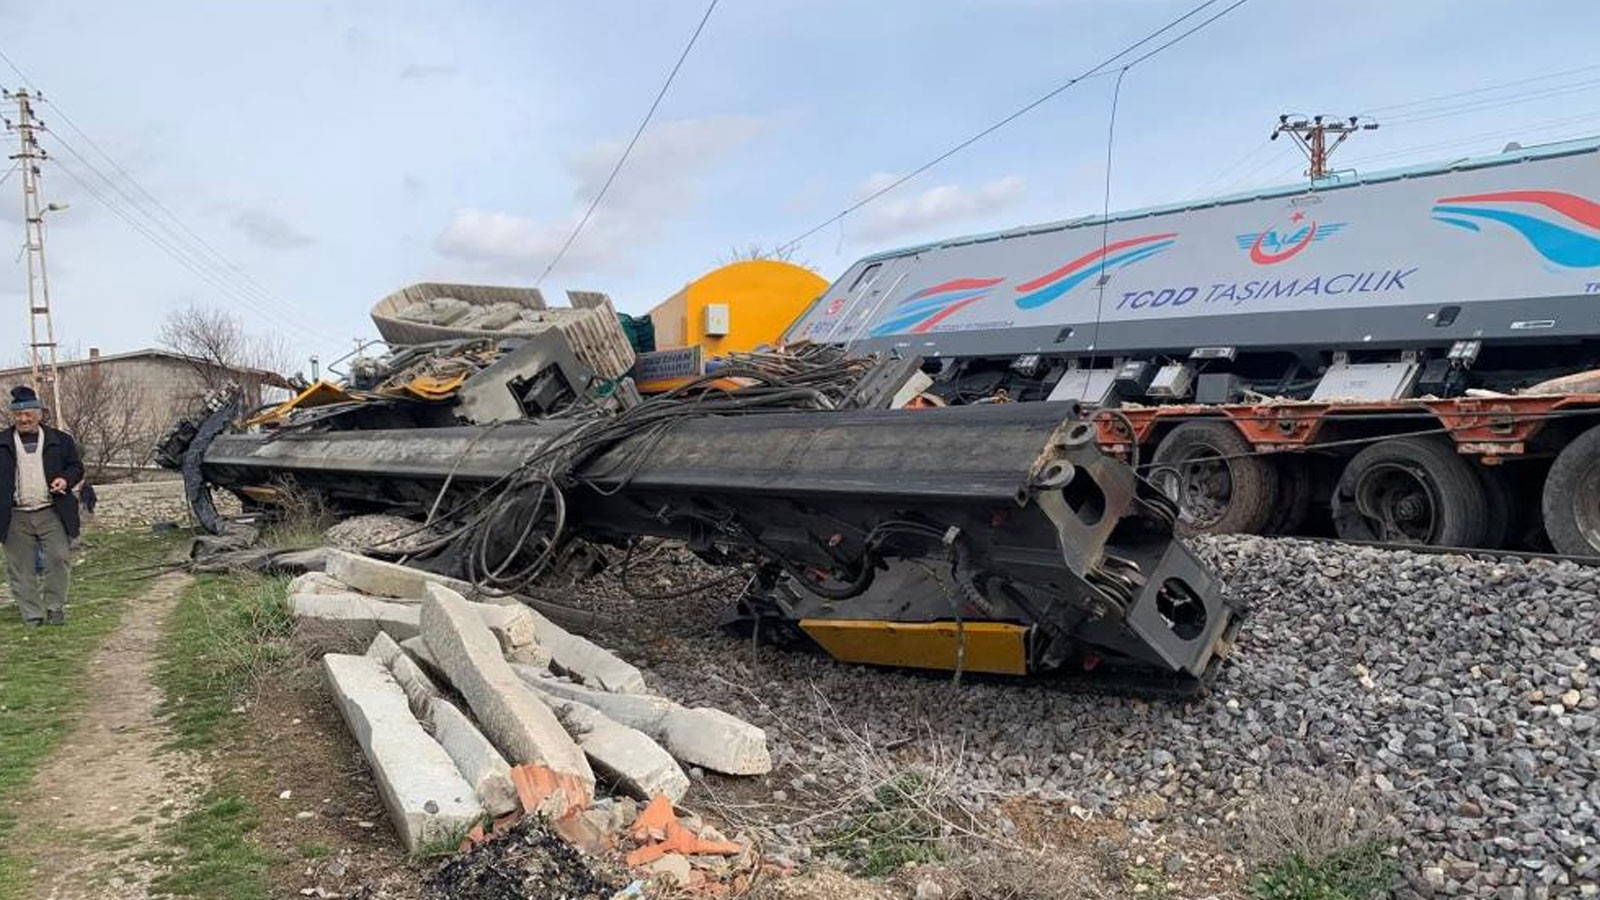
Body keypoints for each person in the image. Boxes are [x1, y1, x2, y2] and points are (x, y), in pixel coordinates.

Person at [0, 386, 83, 627]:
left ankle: (54, 607)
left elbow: (76, 467)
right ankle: (32, 614)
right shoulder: (3, 443)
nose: (23, 419)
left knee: (58, 558)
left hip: (51, 510)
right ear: (13, 415)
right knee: (20, 567)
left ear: (39, 414)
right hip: (14, 513)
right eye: (18, 415)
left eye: (28, 414)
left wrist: (65, 480)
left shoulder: (60, 440)